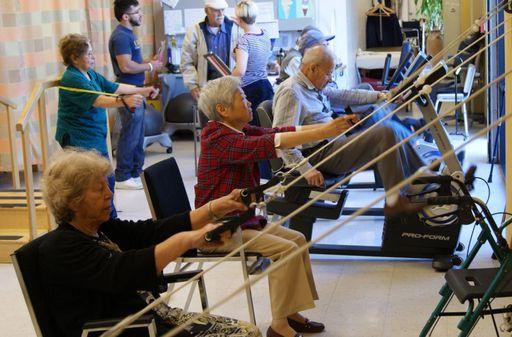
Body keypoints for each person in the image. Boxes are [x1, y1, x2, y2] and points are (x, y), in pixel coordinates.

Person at [194, 76, 357, 337]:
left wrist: (329, 127)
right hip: (217, 230)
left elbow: (279, 134)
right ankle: (279, 326)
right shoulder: (217, 138)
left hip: (240, 222)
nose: (248, 102)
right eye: (242, 98)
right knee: (286, 249)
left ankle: (290, 313)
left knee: (298, 239)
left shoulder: (239, 130)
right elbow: (269, 144)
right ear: (222, 110)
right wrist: (327, 131)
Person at [39, 149, 260, 337]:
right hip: (129, 330)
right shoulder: (62, 248)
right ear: (73, 200)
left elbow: (152, 231)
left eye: (107, 187)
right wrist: (186, 240)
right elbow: (125, 270)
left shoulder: (100, 227)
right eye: (99, 189)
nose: (109, 194)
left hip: (153, 319)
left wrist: (214, 208)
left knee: (248, 331)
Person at [272, 45, 426, 216]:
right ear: (313, 68)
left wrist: (382, 96)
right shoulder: (291, 92)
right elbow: (281, 139)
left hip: (334, 142)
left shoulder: (314, 86)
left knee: (388, 122)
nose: (330, 79)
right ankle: (395, 201)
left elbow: (344, 95)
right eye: (328, 73)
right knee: (386, 133)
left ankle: (423, 177)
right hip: (319, 155)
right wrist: (306, 169)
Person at [55, 33, 159, 218]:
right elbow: (99, 100)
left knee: (106, 181)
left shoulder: (90, 74)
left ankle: (108, 221)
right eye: (89, 54)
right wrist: (124, 102)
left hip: (94, 136)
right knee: (94, 185)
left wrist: (142, 90)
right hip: (79, 139)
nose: (93, 57)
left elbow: (113, 87)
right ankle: (104, 222)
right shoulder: (72, 78)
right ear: (74, 57)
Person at [109, 0, 163, 190]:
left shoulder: (128, 34)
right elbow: (125, 66)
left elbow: (134, 62)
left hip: (137, 88)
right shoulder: (121, 37)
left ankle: (135, 172)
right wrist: (149, 66)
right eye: (137, 12)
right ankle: (123, 176)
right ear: (125, 16)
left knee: (138, 134)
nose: (141, 15)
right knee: (130, 134)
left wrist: (151, 63)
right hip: (128, 90)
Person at [181, 0, 240, 102]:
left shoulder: (235, 28)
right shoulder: (195, 30)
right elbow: (187, 61)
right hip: (206, 89)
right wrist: (193, 86)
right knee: (209, 117)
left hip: (231, 87)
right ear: (206, 11)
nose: (221, 14)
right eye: (216, 10)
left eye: (222, 10)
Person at [231, 0, 273, 126]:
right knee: (266, 126)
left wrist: (228, 79)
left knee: (253, 130)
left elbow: (240, 70)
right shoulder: (265, 34)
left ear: (239, 19)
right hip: (265, 86)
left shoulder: (244, 41)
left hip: (251, 90)